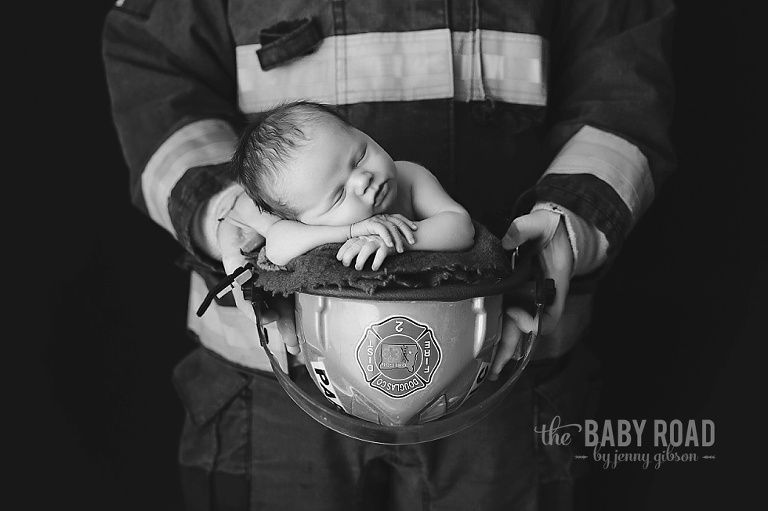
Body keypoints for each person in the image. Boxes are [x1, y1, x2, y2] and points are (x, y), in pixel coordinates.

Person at [102, 1, 675, 509]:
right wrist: (233, 211)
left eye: (359, 156)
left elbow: (624, 84)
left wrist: (568, 220)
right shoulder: (297, 225)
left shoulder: (409, 180)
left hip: (502, 360)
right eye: (333, 195)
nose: (365, 186)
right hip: (283, 378)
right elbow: (154, 72)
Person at [230, 100, 475, 271]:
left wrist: (395, 241)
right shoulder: (312, 227)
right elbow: (276, 248)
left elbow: (461, 227)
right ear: (304, 219)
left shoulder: (409, 176)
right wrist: (352, 231)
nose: (362, 179)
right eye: (338, 195)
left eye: (360, 157)